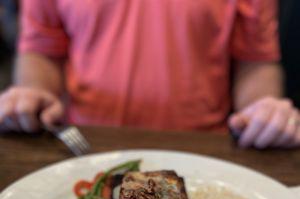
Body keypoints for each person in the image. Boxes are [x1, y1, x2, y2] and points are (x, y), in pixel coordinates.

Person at [0, 0, 299, 149]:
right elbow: (43, 48)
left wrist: (262, 111)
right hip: (87, 145)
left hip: (204, 148)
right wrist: (34, 92)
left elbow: (255, 60)